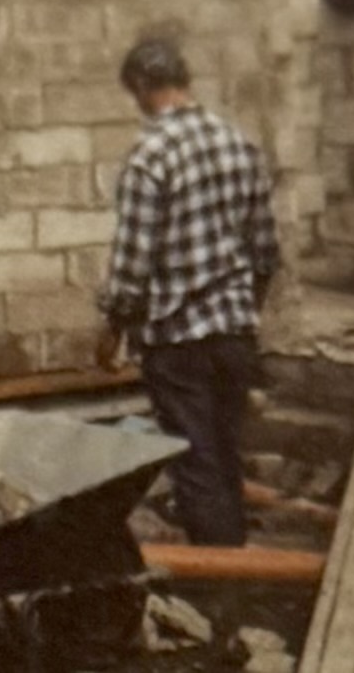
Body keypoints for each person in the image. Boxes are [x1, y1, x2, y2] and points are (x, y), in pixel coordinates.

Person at [96, 37, 281, 548]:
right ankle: (235, 557)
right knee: (224, 452)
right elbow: (265, 253)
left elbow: (132, 270)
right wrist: (243, 315)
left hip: (177, 343)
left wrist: (111, 332)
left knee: (196, 465)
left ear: (139, 86)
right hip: (234, 337)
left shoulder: (148, 159)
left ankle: (222, 590)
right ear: (184, 81)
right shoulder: (239, 145)